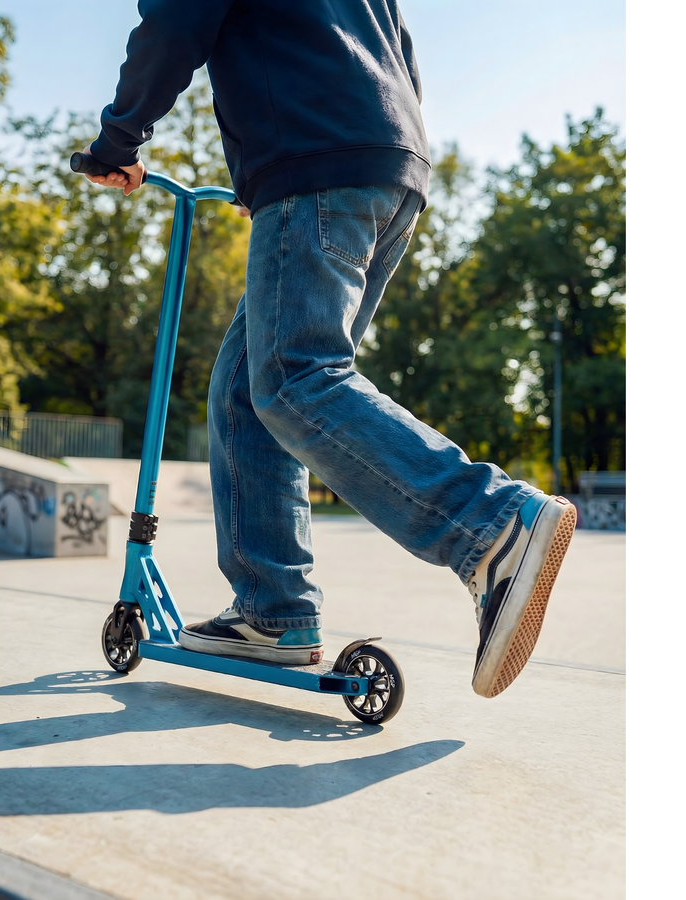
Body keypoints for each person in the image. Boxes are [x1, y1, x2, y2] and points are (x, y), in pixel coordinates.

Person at [80, 0, 577, 699]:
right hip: (388, 162)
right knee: (246, 391)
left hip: (317, 161)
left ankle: (491, 524)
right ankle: (273, 612)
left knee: (296, 380)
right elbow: (396, 44)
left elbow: (176, 19)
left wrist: (118, 141)